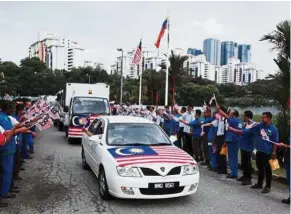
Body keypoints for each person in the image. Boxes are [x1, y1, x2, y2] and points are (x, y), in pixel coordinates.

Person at [228, 112, 278, 194]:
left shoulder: (274, 129)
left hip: (268, 152)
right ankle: (259, 183)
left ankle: (268, 186)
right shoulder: (259, 126)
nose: (262, 119)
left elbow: (275, 142)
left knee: (268, 170)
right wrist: (241, 128)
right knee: (260, 168)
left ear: (269, 118)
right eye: (261, 118)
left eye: (264, 118)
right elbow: (248, 131)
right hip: (259, 151)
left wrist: (274, 152)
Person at [216, 105, 242, 179]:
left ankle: (234, 173)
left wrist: (219, 109)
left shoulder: (233, 120)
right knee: (234, 158)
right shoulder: (238, 121)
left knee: (232, 158)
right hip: (234, 141)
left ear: (234, 114)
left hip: (232, 141)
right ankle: (234, 172)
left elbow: (226, 116)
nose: (230, 113)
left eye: (231, 112)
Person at [202, 107, 228, 175]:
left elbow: (226, 130)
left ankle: (223, 169)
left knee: (222, 154)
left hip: (223, 137)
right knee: (218, 153)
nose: (217, 113)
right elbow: (211, 123)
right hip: (218, 138)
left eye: (219, 112)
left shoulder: (225, 119)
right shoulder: (218, 119)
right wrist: (203, 125)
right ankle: (220, 168)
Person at [237, 110, 256, 186]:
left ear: (248, 117)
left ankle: (248, 179)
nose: (243, 117)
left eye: (244, 116)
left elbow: (244, 132)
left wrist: (233, 130)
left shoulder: (252, 125)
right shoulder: (245, 124)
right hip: (243, 145)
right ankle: (245, 176)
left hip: (248, 147)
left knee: (247, 163)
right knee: (243, 162)